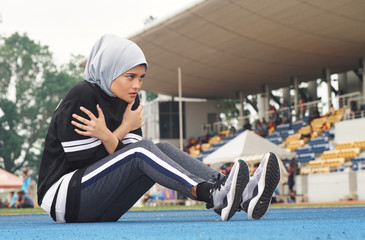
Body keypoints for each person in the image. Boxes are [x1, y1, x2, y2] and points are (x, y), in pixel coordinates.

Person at [37, 34, 280, 223]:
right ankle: (213, 194)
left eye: (141, 78)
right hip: (66, 200)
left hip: (102, 205)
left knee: (159, 148)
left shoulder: (130, 102)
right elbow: (85, 161)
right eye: (130, 76)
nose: (137, 85)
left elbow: (125, 157)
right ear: (108, 70)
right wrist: (121, 129)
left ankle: (241, 196)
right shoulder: (82, 95)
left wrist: (109, 134)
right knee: (143, 151)